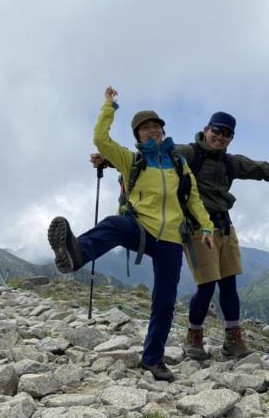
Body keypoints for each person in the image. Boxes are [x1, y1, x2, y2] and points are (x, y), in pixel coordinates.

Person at [47, 86, 215, 383]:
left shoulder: (179, 164)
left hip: (173, 238)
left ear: (163, 131)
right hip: (141, 228)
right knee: (114, 224)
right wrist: (109, 105)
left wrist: (206, 226)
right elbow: (101, 139)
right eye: (145, 129)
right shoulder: (131, 160)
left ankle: (153, 359)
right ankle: (75, 255)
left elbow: (193, 199)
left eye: (156, 127)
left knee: (164, 301)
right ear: (137, 136)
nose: (152, 132)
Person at [176, 112, 269, 360]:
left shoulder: (230, 162)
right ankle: (194, 337)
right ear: (206, 129)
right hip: (197, 229)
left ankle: (233, 339)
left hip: (225, 227)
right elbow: (152, 156)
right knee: (206, 286)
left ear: (231, 138)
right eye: (217, 131)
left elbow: (258, 168)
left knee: (229, 285)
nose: (220, 137)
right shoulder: (187, 153)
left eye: (226, 134)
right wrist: (109, 160)